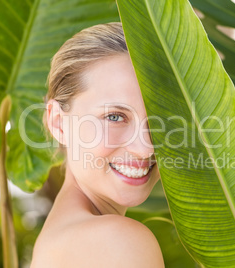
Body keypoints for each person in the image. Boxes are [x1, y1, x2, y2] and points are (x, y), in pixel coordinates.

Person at [31, 22, 165, 267]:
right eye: (114, 117)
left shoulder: (57, 241)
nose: (146, 149)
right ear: (59, 122)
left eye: (160, 121)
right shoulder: (117, 242)